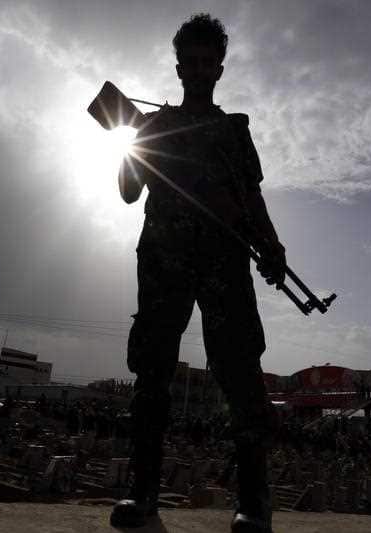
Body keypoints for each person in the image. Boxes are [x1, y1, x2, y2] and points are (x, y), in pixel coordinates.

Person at [109, 14, 286, 533]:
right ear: (180, 66)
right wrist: (132, 138)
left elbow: (251, 197)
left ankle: (254, 503)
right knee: (152, 373)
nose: (201, 69)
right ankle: (142, 495)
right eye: (193, 61)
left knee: (239, 375)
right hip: (163, 260)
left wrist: (271, 246)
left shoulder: (233, 130)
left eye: (210, 61)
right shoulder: (158, 124)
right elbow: (127, 191)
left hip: (224, 262)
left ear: (220, 68)